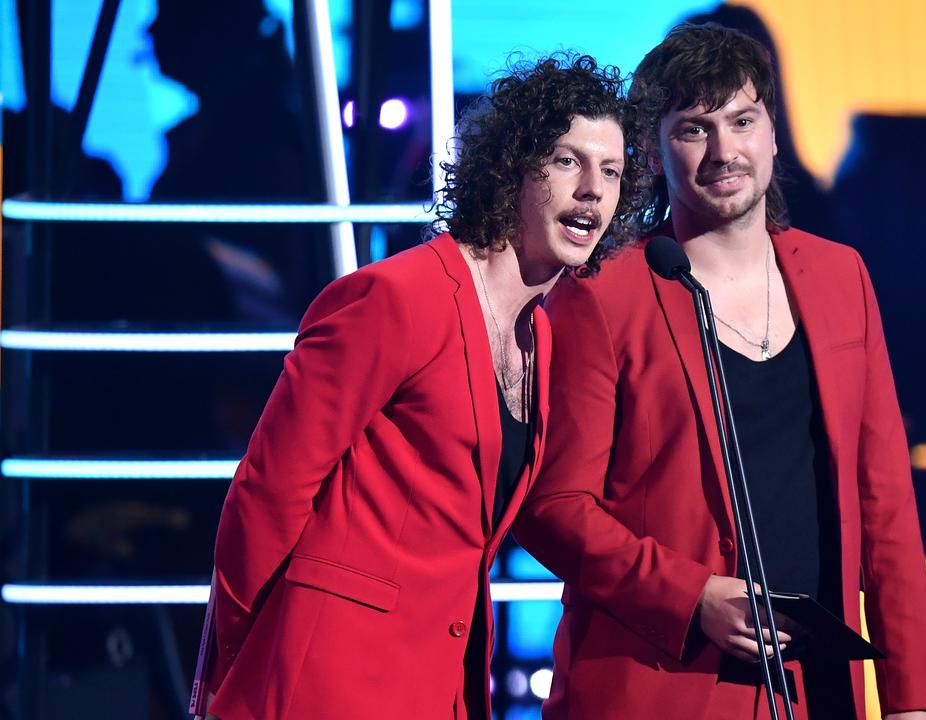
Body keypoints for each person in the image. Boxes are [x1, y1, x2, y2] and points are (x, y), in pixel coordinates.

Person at [193, 53, 649, 719]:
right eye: (566, 161)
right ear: (513, 168)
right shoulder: (398, 296)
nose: (592, 191)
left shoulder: (539, 337)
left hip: (436, 684)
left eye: (610, 171)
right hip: (327, 679)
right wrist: (231, 667)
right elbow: (265, 495)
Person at [514, 24, 926, 719]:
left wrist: (913, 699)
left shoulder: (841, 278)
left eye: (741, 121)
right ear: (652, 152)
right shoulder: (602, 295)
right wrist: (693, 599)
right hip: (657, 687)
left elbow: (885, 505)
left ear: (773, 133)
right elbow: (554, 510)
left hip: (814, 689)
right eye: (693, 129)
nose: (724, 151)